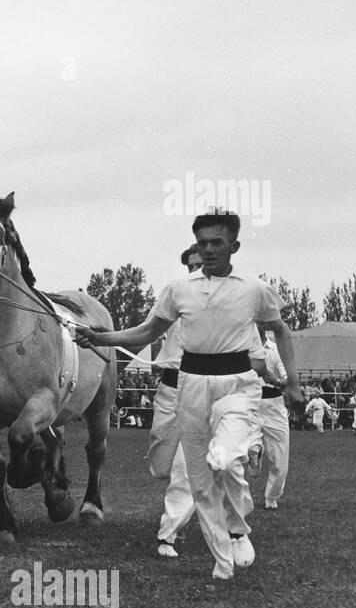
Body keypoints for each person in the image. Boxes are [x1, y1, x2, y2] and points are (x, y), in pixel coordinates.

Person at [75, 210, 303, 581]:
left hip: (237, 386)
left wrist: (292, 382)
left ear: (234, 245)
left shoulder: (254, 290)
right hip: (191, 385)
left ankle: (237, 528)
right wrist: (101, 338)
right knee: (196, 478)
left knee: (226, 460)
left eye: (217, 243)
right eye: (203, 243)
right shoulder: (178, 290)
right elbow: (146, 332)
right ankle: (221, 559)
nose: (209, 250)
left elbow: (281, 331)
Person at [147, 245, 204, 559]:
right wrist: (103, 338)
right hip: (167, 392)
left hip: (200, 394)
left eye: (201, 266)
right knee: (161, 465)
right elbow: (144, 332)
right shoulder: (174, 296)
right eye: (190, 267)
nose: (195, 272)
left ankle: (167, 534)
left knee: (186, 469)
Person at [250, 328, 291, 510]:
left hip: (274, 402)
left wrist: (282, 381)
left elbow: (286, 377)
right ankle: (255, 452)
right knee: (247, 443)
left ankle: (271, 498)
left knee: (280, 457)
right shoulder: (240, 349)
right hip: (250, 401)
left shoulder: (274, 350)